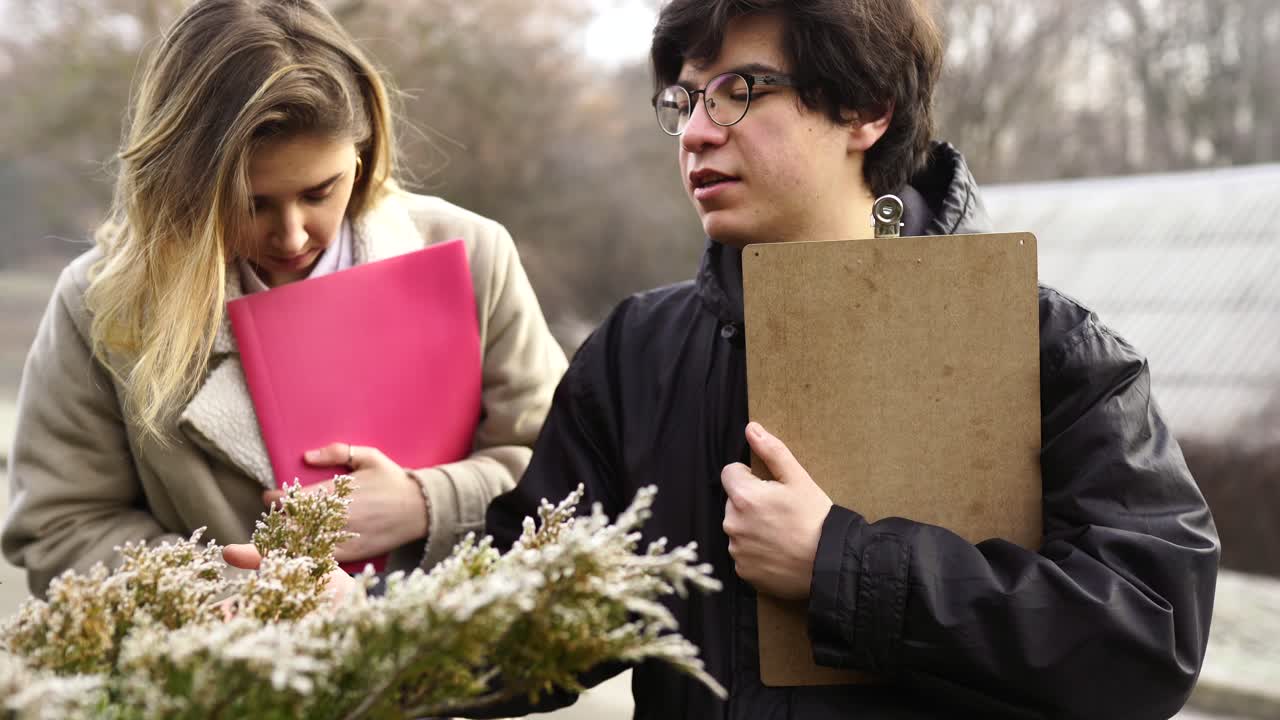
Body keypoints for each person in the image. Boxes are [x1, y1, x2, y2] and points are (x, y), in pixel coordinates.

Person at [475, 1, 1220, 718]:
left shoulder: (1048, 347)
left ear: (868, 108)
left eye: (737, 92)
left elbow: (1146, 641)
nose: (696, 133)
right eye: (685, 99)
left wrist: (840, 564)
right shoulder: (637, 350)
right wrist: (379, 618)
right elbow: (537, 625)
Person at [2, 0, 566, 596]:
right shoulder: (104, 302)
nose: (292, 234)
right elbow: (59, 526)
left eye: (321, 191)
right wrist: (239, 595)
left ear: (363, 150)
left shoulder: (472, 252)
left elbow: (563, 469)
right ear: (181, 183)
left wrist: (427, 503)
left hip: (443, 672)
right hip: (221, 682)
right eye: (252, 203)